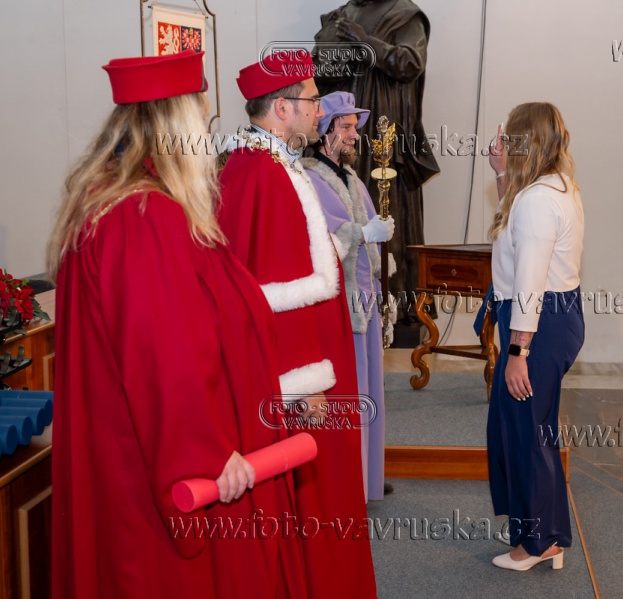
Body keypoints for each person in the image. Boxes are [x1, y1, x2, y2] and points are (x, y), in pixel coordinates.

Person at [47, 52, 307, 598]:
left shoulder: (115, 205)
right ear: (177, 125)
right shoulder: (143, 217)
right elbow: (164, 357)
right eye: (201, 119)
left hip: (136, 454)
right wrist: (204, 457)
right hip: (175, 471)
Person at [218, 53, 377, 599]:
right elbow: (270, 293)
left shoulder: (274, 166)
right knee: (313, 501)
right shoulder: (262, 175)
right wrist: (305, 384)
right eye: (311, 100)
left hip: (312, 367)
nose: (318, 111)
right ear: (282, 109)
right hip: (300, 384)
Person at [481, 102, 585, 571]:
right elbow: (514, 227)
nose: (503, 144)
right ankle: (546, 535)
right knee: (530, 428)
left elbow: (529, 282)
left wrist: (517, 351)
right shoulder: (551, 187)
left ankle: (537, 544)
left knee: (527, 434)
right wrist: (503, 174)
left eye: (509, 139)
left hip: (536, 323)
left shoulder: (539, 200)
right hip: (549, 318)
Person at [313, 0, 440, 322]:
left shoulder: (404, 15)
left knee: (386, 211)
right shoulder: (341, 15)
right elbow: (318, 73)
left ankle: (394, 305)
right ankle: (341, 300)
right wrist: (336, 60)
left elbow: (409, 64)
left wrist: (364, 41)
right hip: (338, 139)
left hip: (384, 133)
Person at [301, 91, 394, 501]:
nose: (355, 135)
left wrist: (379, 246)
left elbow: (368, 226)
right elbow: (320, 236)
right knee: (350, 388)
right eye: (346, 127)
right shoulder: (310, 177)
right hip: (341, 301)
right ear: (325, 132)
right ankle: (350, 477)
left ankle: (368, 474)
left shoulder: (353, 179)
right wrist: (363, 233)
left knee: (370, 385)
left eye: (355, 127)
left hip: (366, 297)